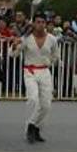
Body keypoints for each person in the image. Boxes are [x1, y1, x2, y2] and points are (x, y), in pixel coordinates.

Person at [9, 14, 59, 144]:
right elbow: (13, 54)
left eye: (43, 22)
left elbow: (55, 55)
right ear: (33, 23)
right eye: (38, 22)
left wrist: (49, 62)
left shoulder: (52, 39)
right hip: (30, 71)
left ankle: (35, 127)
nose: (40, 24)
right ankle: (30, 126)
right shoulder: (26, 39)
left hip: (44, 71)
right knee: (33, 98)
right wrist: (14, 45)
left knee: (46, 105)